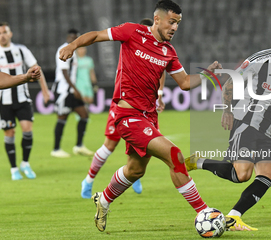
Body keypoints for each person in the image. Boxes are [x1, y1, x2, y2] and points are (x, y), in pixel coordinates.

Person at [60, 0, 227, 232]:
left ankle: (104, 200)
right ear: (157, 19)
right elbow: (97, 35)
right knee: (175, 155)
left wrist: (208, 74)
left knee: (136, 170)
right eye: (171, 22)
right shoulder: (132, 32)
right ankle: (204, 211)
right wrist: (73, 46)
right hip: (127, 115)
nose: (175, 27)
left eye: (178, 23)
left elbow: (185, 82)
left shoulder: (168, 51)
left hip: (148, 117)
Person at [185, 20, 271, 231]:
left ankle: (233, 217)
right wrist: (227, 110)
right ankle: (198, 162)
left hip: (267, 132)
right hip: (245, 122)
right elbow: (229, 84)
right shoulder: (258, 60)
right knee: (242, 174)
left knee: (269, 174)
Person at [80, 18, 165, 199]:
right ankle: (88, 180)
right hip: (123, 105)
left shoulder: (157, 51)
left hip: (144, 109)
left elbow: (162, 70)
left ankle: (132, 174)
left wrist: (160, 94)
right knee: (109, 145)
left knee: (141, 146)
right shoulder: (131, 42)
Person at [0, 22, 50, 180]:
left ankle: (25, 163)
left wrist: (45, 90)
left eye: (4, 32)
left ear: (10, 34)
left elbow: (36, 69)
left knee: (27, 130)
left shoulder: (21, 50)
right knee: (10, 133)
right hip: (4, 101)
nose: (2, 36)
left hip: (22, 98)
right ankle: (14, 168)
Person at [50, 29, 94, 158]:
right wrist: (74, 88)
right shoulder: (64, 49)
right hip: (63, 90)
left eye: (76, 37)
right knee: (62, 118)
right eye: (73, 37)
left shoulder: (73, 51)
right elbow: (64, 72)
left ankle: (79, 146)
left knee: (84, 115)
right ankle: (56, 148)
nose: (74, 39)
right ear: (68, 36)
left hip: (71, 90)